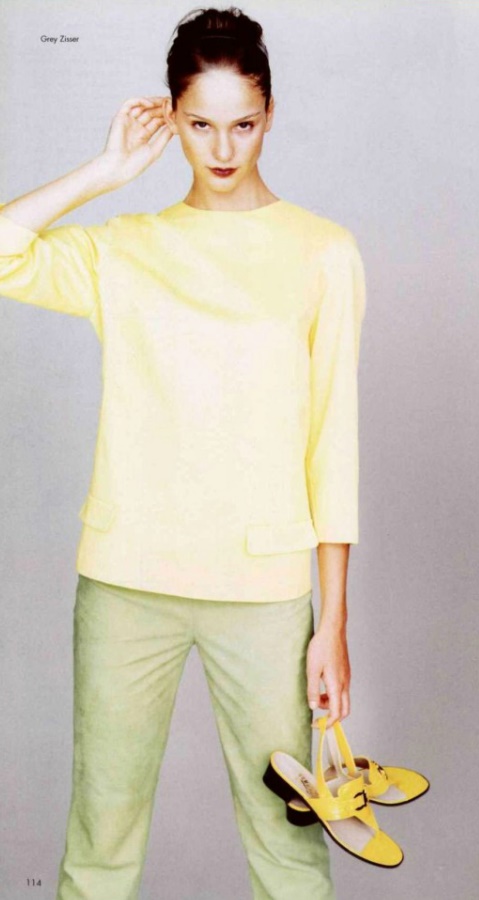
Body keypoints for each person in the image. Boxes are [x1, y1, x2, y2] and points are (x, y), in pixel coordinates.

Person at [0, 6, 366, 899]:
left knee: (288, 851)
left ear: (270, 114)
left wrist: (332, 621)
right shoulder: (126, 248)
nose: (223, 147)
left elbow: (333, 443)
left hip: (263, 594)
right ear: (170, 117)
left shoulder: (322, 252)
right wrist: (106, 172)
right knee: (100, 844)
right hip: (126, 582)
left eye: (243, 123)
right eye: (199, 124)